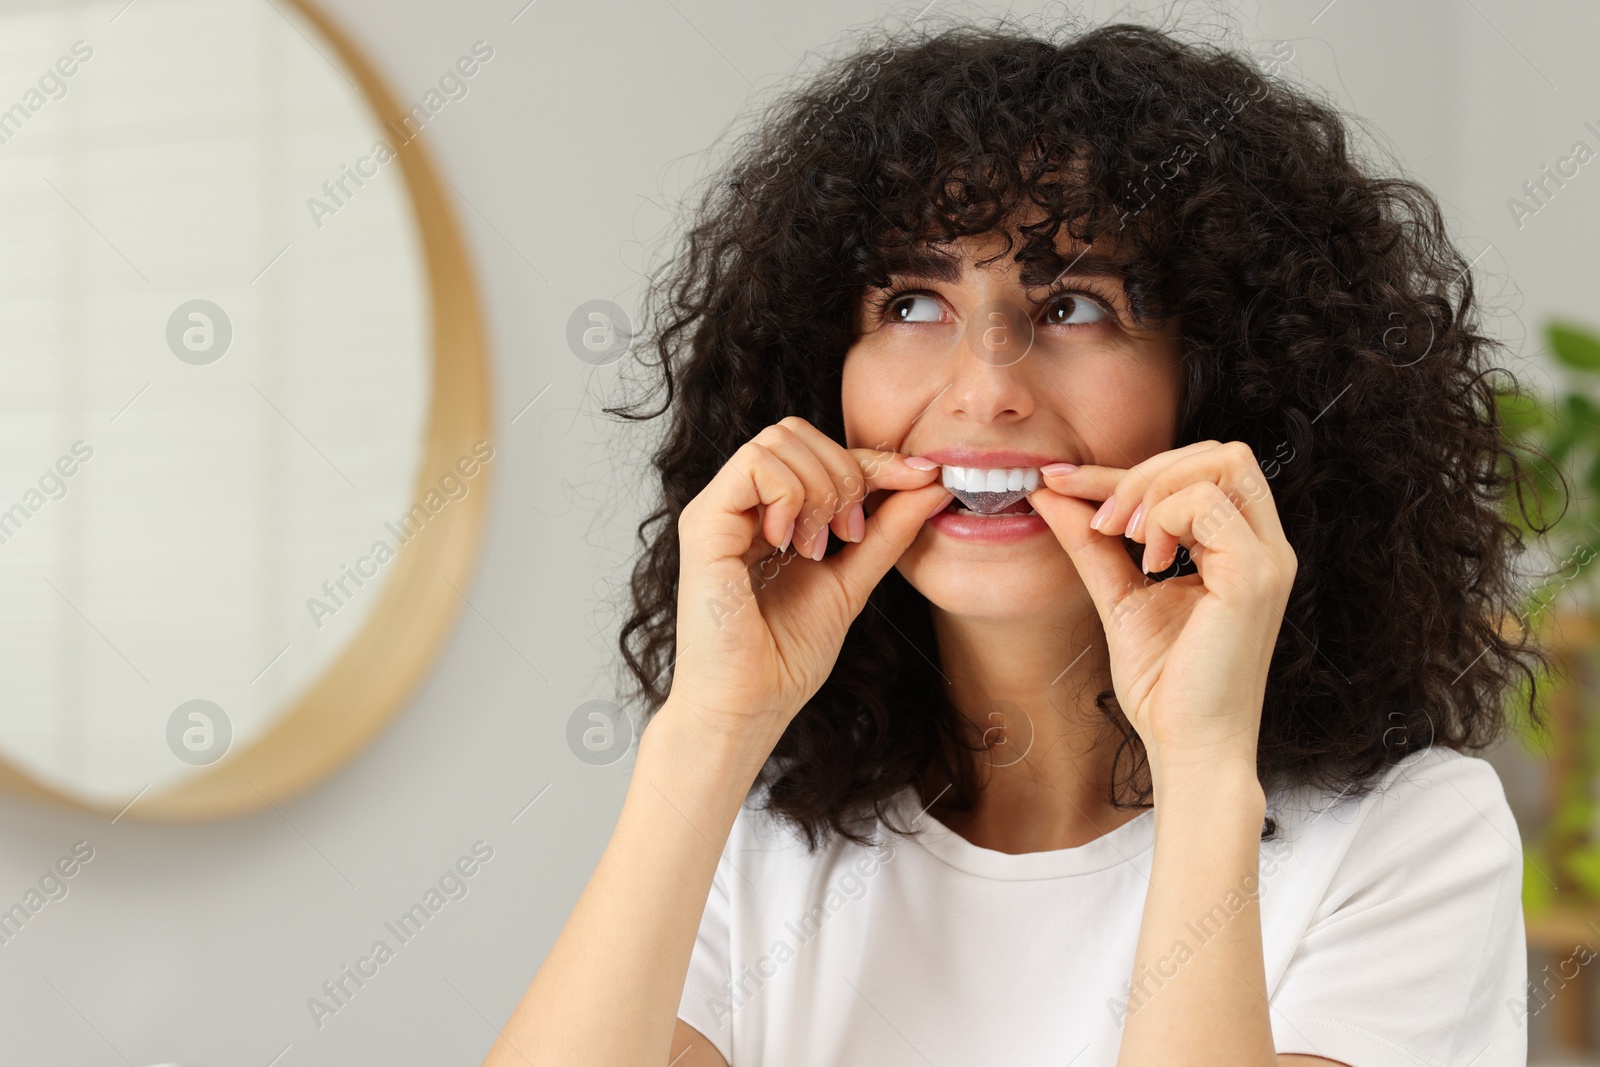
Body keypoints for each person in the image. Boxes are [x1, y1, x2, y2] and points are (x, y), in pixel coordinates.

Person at [485, 15, 1555, 1067]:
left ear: (1227, 380)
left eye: (1077, 305)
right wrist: (708, 731)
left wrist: (1203, 763)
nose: (985, 389)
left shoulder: (1407, 840)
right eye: (911, 301)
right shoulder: (759, 832)